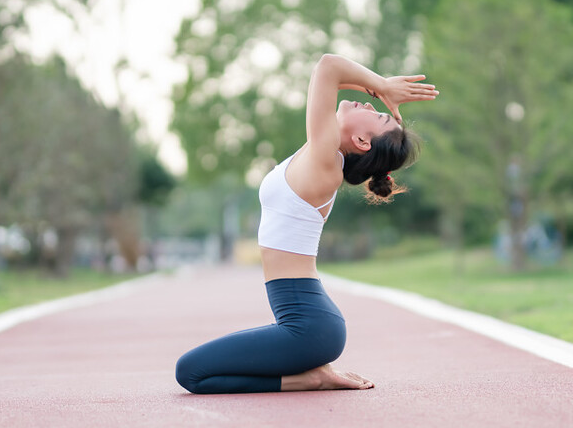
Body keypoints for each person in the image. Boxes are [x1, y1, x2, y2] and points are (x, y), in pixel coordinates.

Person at [175, 54, 437, 393]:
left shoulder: (325, 162)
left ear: (362, 142)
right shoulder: (320, 153)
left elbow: (328, 67)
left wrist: (382, 85)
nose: (370, 106)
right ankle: (311, 375)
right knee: (194, 372)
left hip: (309, 328)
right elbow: (334, 80)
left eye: (378, 116)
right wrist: (378, 89)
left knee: (190, 372)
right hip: (309, 325)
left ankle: (311, 378)